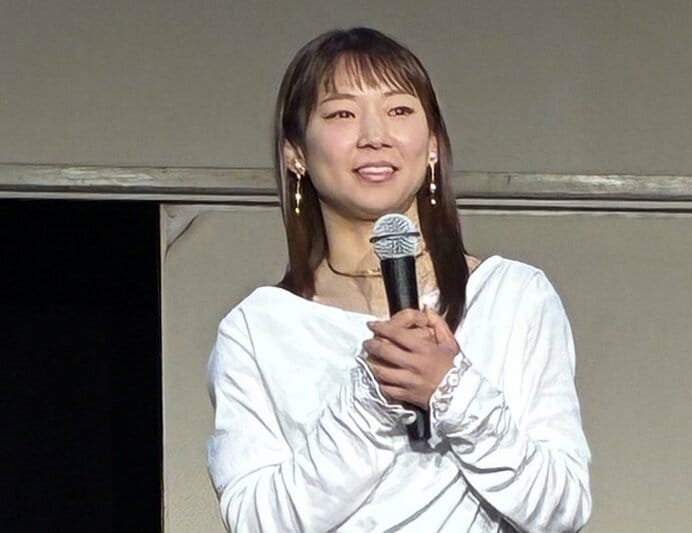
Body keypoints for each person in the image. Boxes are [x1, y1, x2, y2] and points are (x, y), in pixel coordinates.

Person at [206, 27, 591, 532]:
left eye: (399, 110)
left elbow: (562, 509)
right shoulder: (258, 329)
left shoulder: (512, 297)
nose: (375, 135)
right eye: (342, 114)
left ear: (432, 145)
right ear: (295, 152)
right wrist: (371, 399)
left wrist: (453, 392)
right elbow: (257, 523)